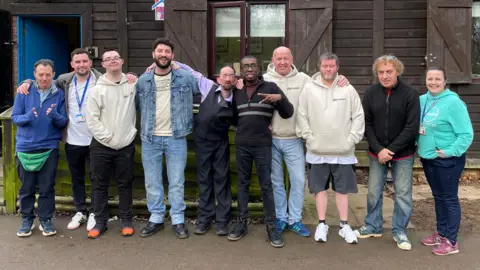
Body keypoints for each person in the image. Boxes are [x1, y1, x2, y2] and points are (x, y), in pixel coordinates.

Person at [15, 49, 137, 231]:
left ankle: (95, 213)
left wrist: (132, 74)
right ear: (72, 65)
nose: (81, 65)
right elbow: (42, 80)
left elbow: (119, 76)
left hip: (97, 140)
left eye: (85, 61)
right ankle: (80, 210)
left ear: (91, 63)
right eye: (77, 62)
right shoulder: (64, 82)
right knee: (76, 178)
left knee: (97, 180)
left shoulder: (101, 79)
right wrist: (27, 82)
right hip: (73, 138)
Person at [262, 46, 350, 237]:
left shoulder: (303, 79)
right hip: (271, 140)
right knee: (276, 182)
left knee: (298, 180)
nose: (283, 62)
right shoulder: (265, 79)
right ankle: (280, 219)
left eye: (286, 58)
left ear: (292, 58)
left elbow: (323, 80)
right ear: (273, 60)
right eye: (279, 59)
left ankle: (294, 219)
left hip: (294, 140)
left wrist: (340, 78)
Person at [296, 52, 364, 244]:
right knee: (320, 189)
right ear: (319, 67)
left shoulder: (347, 89)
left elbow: (358, 116)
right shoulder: (309, 89)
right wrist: (310, 139)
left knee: (342, 190)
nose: (328, 69)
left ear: (337, 67)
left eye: (332, 66)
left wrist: (351, 140)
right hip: (317, 151)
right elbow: (302, 116)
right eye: (325, 66)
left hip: (343, 151)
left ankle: (344, 225)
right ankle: (322, 223)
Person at [354, 55, 420, 251]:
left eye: (389, 71)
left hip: (403, 153)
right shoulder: (371, 93)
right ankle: (373, 225)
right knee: (374, 191)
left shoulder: (410, 94)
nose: (385, 76)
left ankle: (400, 230)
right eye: (381, 72)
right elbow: (367, 123)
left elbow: (412, 126)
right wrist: (379, 149)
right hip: (377, 152)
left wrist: (390, 150)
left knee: (402, 193)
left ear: (397, 71)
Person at [136, 39, 200, 239]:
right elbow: (138, 105)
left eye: (167, 51)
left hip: (176, 137)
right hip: (150, 138)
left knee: (177, 181)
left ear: (172, 55)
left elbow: (198, 94)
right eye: (160, 51)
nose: (163, 54)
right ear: (153, 54)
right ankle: (156, 217)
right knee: (152, 181)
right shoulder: (143, 80)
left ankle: (178, 219)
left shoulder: (185, 77)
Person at [228, 55, 294, 248]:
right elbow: (233, 117)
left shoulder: (271, 87)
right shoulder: (237, 91)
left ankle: (271, 226)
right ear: (241, 70)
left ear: (259, 68)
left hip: (263, 145)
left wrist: (279, 99)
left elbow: (288, 112)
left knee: (266, 186)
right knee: (242, 184)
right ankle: (242, 223)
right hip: (242, 144)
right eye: (245, 66)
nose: (249, 69)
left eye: (253, 66)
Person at [417, 67, 473, 255]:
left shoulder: (453, 103)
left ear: (445, 81)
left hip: (448, 159)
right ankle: (441, 233)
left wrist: (450, 151)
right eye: (430, 78)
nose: (433, 82)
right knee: (438, 197)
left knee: (449, 199)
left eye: (437, 79)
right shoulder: (422, 100)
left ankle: (451, 241)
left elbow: (466, 134)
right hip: (428, 158)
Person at [86, 50, 137, 239]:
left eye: (115, 58)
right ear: (103, 65)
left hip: (126, 145)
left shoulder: (133, 85)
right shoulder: (96, 90)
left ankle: (126, 220)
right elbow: (92, 120)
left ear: (122, 61)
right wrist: (108, 138)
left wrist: (125, 137)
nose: (112, 61)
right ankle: (100, 222)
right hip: (101, 147)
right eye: (108, 59)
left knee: (125, 184)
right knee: (99, 185)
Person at [13, 59, 67, 237]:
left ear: (53, 74)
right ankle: (27, 220)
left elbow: (63, 122)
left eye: (48, 74)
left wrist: (54, 115)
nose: (44, 78)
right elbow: (16, 118)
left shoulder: (59, 94)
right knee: (26, 188)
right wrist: (28, 115)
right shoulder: (24, 92)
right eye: (41, 74)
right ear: (35, 75)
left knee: (47, 187)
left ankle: (45, 219)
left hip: (48, 147)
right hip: (25, 147)